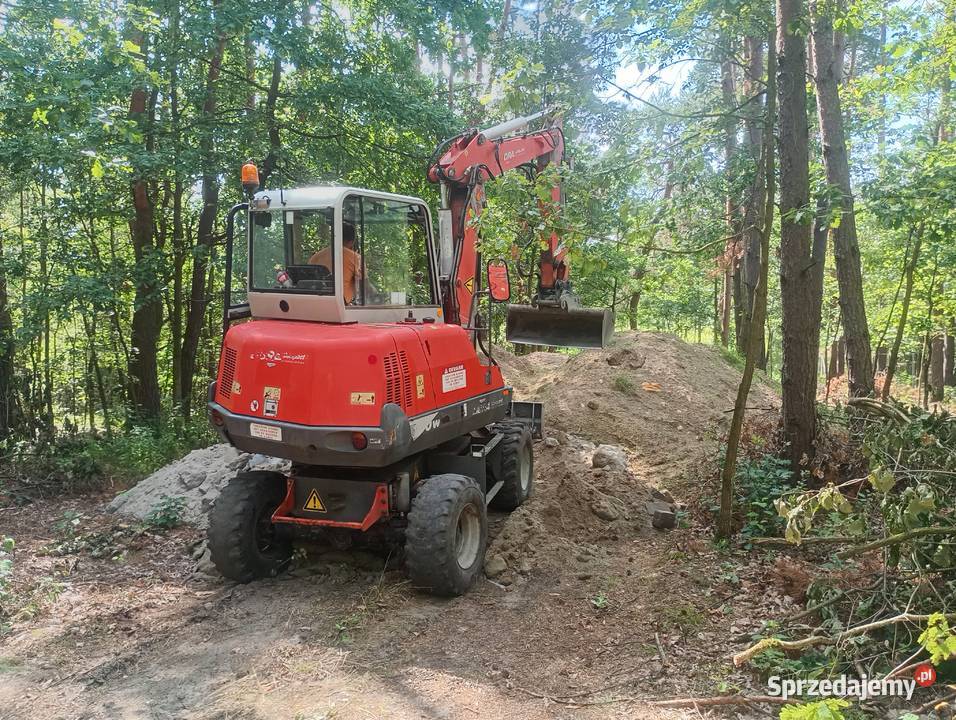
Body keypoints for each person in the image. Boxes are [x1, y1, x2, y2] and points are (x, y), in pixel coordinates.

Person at [309, 221, 364, 303]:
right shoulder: (355, 258)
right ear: (351, 241)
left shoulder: (315, 257)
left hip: (317, 303)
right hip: (342, 305)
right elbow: (365, 287)